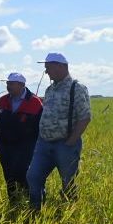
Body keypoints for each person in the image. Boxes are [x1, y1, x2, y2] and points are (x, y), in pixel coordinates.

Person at [26, 53, 92, 210]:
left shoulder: (76, 88)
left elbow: (85, 117)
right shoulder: (50, 89)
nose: (46, 72)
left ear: (61, 66)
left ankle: (69, 214)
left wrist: (71, 141)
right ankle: (35, 211)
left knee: (68, 182)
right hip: (44, 144)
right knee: (33, 177)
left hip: (65, 145)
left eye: (48, 67)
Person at [0, 72, 43, 204]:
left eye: (12, 84)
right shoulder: (3, 101)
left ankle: (32, 200)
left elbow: (40, 127)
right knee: (8, 175)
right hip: (4, 146)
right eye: (8, 83)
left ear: (22, 85)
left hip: (25, 147)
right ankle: (13, 202)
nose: (8, 86)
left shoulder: (35, 102)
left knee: (22, 173)